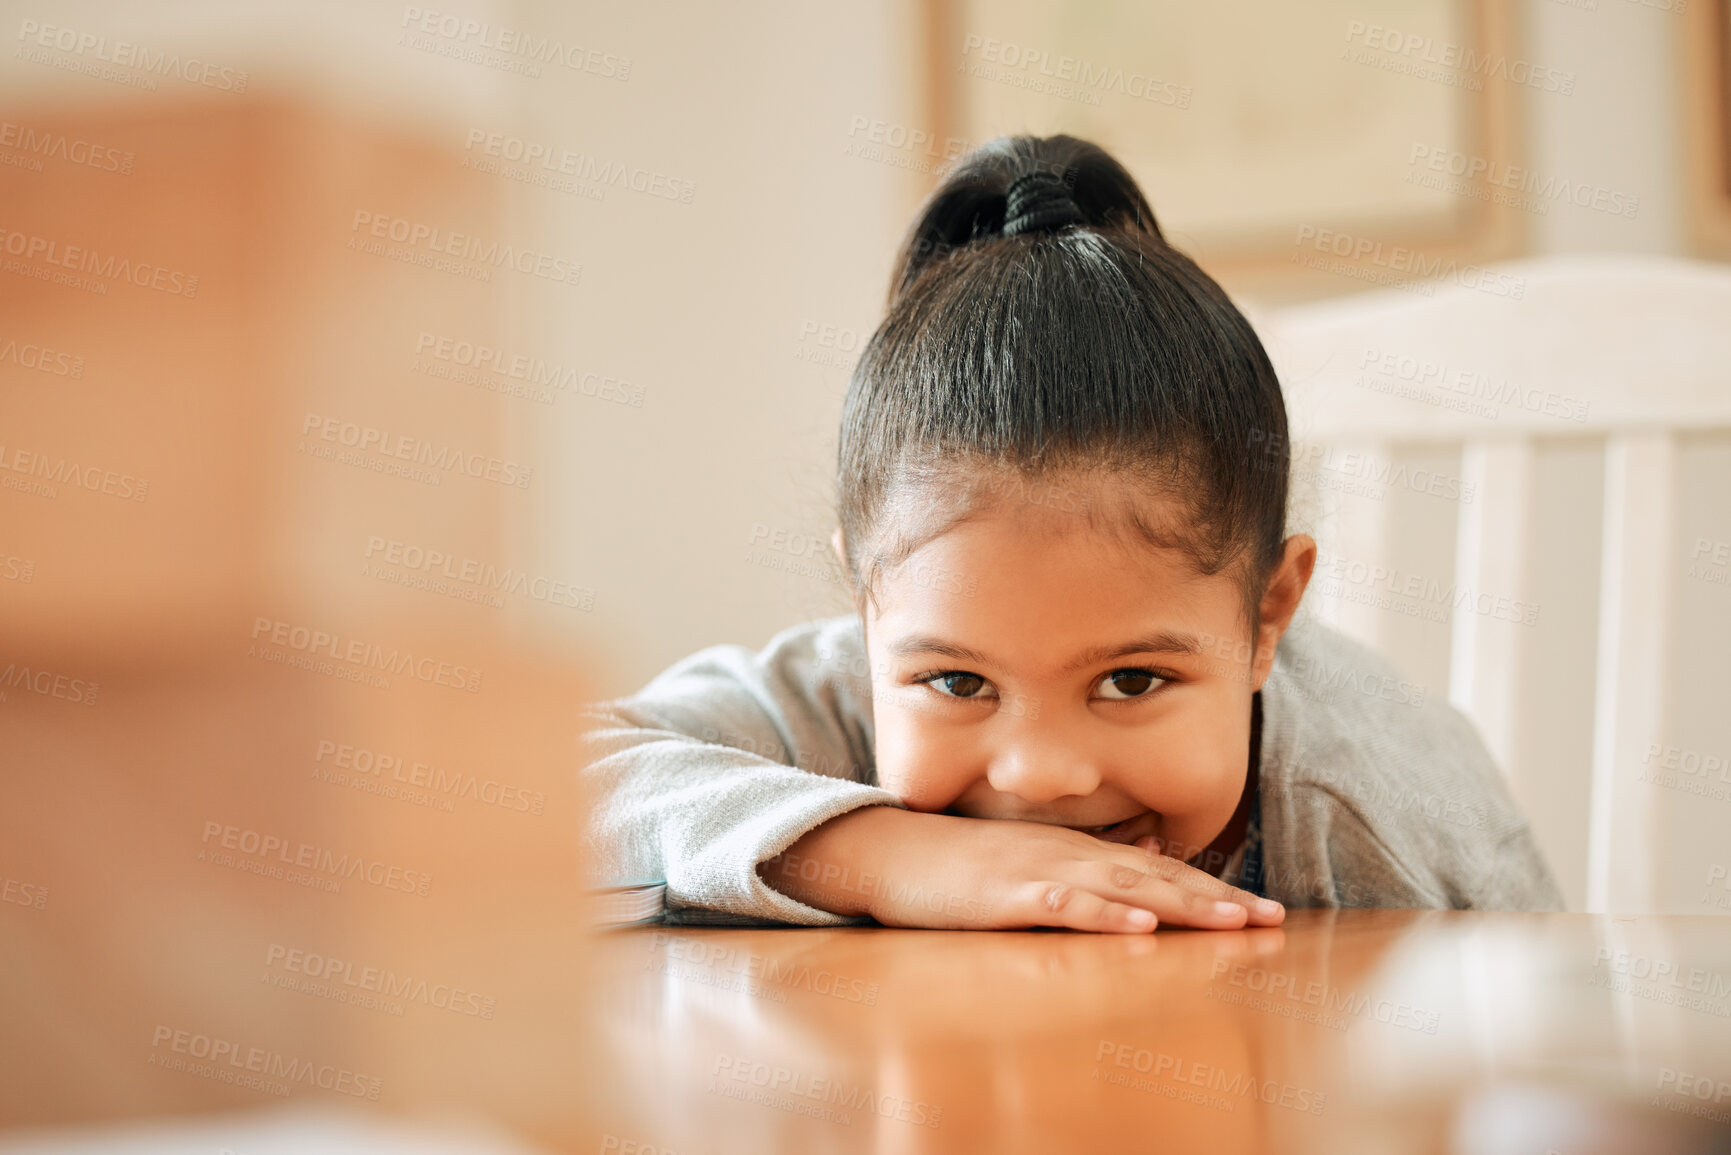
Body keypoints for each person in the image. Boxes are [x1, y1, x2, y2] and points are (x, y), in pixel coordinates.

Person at [581, 134, 1564, 932]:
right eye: (959, 683)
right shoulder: (830, 704)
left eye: (1131, 680)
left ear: (1269, 616)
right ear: (867, 608)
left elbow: (1539, 1065)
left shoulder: (1369, 826)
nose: (1040, 776)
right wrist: (884, 854)